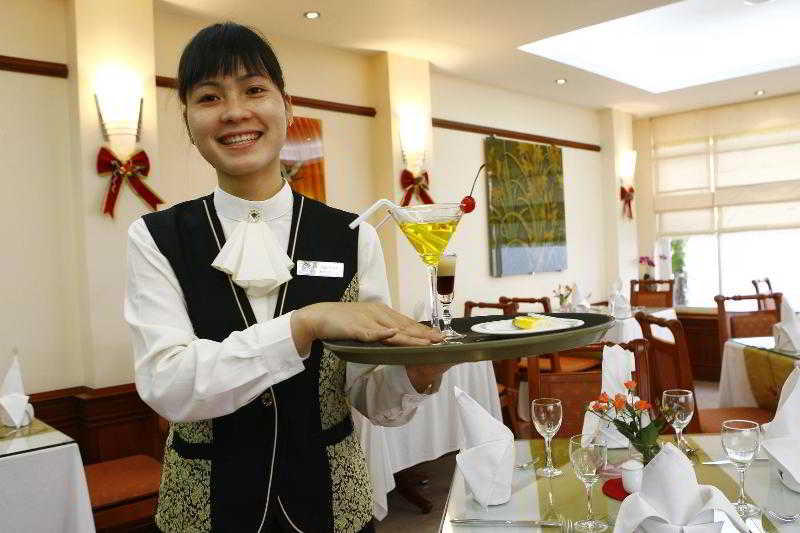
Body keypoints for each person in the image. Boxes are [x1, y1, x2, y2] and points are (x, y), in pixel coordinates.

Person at [124, 22, 452, 533]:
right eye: (209, 97)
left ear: (287, 106)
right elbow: (170, 385)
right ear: (188, 121)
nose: (235, 112)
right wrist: (303, 324)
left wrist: (417, 373)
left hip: (331, 502)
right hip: (207, 509)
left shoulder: (353, 236)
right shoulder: (155, 236)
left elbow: (370, 396)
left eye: (254, 90)